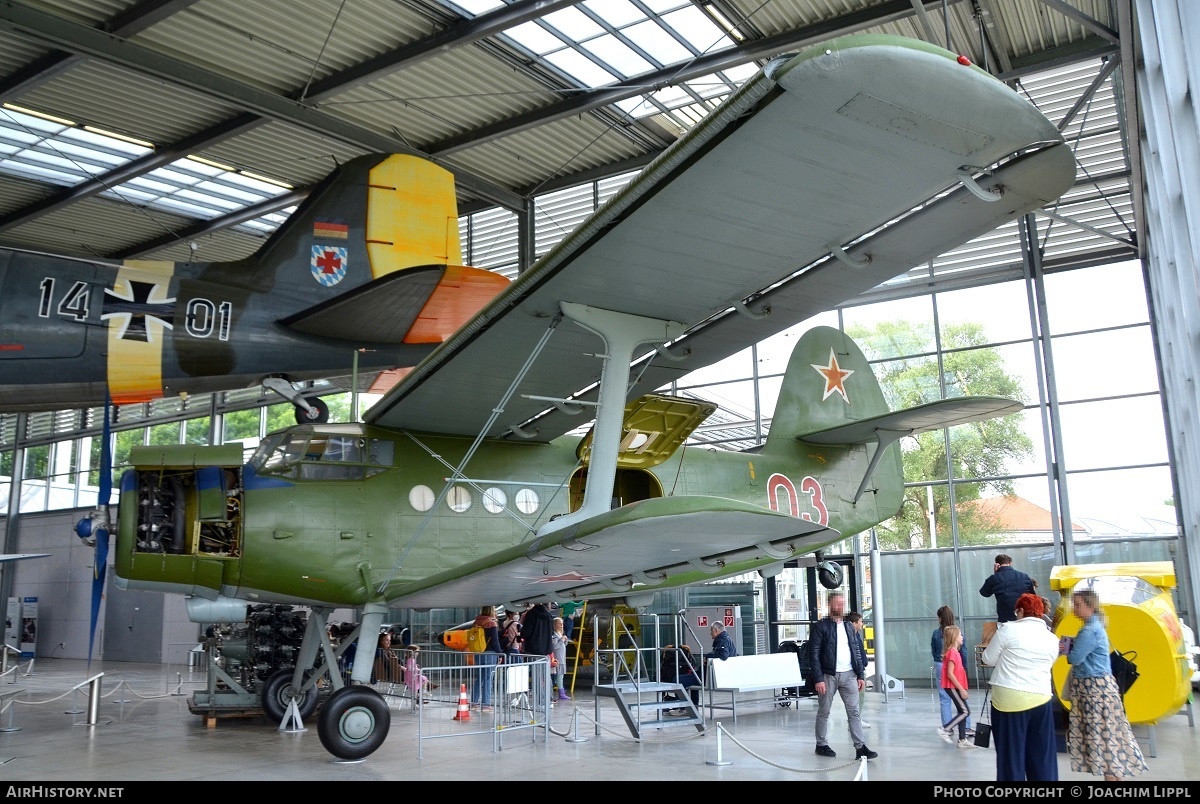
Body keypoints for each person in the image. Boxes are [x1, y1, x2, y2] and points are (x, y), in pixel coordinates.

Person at [1065, 588, 1148, 781]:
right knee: (1109, 739)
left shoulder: (1089, 630)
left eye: (1077, 605)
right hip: (1102, 690)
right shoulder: (1095, 627)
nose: (1074, 609)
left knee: (1101, 742)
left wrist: (1067, 649)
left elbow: (1075, 658)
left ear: (1090, 606)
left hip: (1094, 692)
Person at [980, 592, 1060, 781]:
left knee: (1011, 759)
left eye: (1017, 611)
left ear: (1022, 611)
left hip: (1009, 701)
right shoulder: (1052, 639)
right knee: (1041, 758)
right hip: (1041, 699)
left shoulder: (1008, 630)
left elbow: (988, 659)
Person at [811, 591, 877, 760]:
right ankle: (821, 744)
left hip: (849, 675)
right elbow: (814, 654)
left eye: (842, 603)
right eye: (837, 603)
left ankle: (860, 747)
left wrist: (860, 675)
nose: (840, 606)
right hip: (828, 675)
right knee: (824, 711)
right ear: (830, 605)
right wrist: (818, 679)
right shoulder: (820, 626)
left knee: (854, 712)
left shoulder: (849, 626)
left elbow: (856, 650)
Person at [932, 605, 972, 736]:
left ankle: (947, 727)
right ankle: (966, 727)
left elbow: (933, 650)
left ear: (940, 619)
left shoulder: (936, 633)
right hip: (956, 666)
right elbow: (964, 652)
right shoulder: (957, 633)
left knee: (944, 698)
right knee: (961, 697)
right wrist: (964, 668)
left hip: (940, 664)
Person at [938, 625, 975, 748]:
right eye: (960, 635)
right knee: (965, 711)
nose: (962, 637)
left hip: (955, 686)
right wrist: (961, 689)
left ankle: (962, 739)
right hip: (952, 687)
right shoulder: (952, 653)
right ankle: (945, 729)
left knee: (962, 711)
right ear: (954, 638)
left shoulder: (954, 652)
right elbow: (950, 673)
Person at [980, 554, 1036, 624]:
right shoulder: (1024, 576)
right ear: (1010, 563)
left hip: (1005, 618)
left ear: (997, 564)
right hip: (1024, 615)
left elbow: (984, 593)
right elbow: (1032, 596)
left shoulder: (994, 578)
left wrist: (996, 574)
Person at [521, 602, 554, 709]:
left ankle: (541, 701)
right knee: (546, 676)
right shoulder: (549, 615)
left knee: (537, 677)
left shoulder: (531, 614)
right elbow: (551, 632)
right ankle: (549, 700)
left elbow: (526, 632)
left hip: (534, 650)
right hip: (546, 650)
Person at [470, 605, 502, 711]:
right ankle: (486, 704)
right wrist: (500, 654)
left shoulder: (476, 622)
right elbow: (495, 641)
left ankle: (474, 702)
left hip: (478, 652)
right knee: (488, 678)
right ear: (491, 611)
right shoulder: (491, 623)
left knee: (480, 677)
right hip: (489, 653)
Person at [846, 611, 872, 729]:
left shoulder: (856, 635)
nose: (862, 624)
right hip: (856, 671)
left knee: (859, 697)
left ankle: (856, 719)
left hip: (860, 669)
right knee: (857, 697)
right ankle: (855, 720)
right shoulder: (851, 637)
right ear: (854, 623)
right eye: (860, 622)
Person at [659, 644, 702, 711]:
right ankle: (693, 707)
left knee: (677, 680)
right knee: (685, 680)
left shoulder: (720, 648)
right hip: (698, 675)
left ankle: (683, 707)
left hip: (699, 676)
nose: (711, 633)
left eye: (712, 632)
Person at [551, 616, 570, 701]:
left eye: (562, 624)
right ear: (555, 625)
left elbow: (562, 645)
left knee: (560, 676)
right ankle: (561, 693)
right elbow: (555, 646)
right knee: (559, 676)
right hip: (558, 659)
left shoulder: (560, 634)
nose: (562, 625)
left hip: (562, 658)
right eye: (560, 624)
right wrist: (562, 640)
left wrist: (564, 640)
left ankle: (561, 690)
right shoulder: (554, 635)